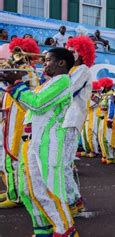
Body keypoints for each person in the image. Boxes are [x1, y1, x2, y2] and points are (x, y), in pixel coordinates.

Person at [2, 47, 77, 236]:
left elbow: (37, 103)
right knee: (29, 191)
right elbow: (29, 107)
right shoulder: (48, 83)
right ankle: (43, 230)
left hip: (47, 144)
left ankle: (66, 230)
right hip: (31, 142)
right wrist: (12, 87)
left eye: (48, 59)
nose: (44, 63)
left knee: (47, 190)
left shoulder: (63, 81)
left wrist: (18, 84)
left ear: (61, 63)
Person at [0, 38, 38, 209]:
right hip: (11, 117)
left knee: (12, 156)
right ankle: (12, 190)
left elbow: (27, 97)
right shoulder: (24, 70)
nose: (16, 57)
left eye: (21, 52)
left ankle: (15, 196)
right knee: (9, 156)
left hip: (19, 120)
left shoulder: (26, 72)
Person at [63, 36, 96, 215]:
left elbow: (68, 91)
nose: (70, 53)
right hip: (64, 120)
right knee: (62, 163)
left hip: (71, 120)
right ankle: (74, 200)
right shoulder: (72, 70)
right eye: (68, 49)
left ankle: (73, 201)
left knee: (63, 163)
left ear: (82, 53)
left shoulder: (82, 70)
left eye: (73, 50)